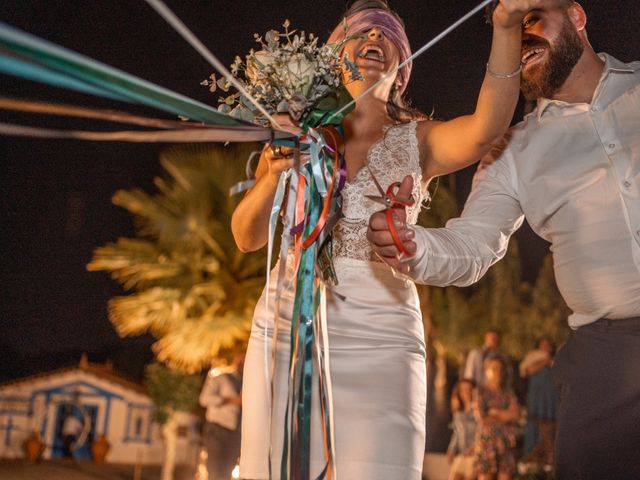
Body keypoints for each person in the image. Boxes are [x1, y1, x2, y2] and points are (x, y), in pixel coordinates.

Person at [232, 0, 543, 477]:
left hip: (383, 329)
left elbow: (486, 130)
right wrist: (273, 175)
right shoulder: (302, 134)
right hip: (285, 323)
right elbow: (246, 236)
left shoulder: (418, 138)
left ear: (402, 68)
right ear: (335, 56)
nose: (373, 41)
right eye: (361, 34)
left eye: (387, 37)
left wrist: (505, 25)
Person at [367, 1, 640, 478]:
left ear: (576, 16)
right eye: (510, 30)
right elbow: (472, 246)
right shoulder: (513, 150)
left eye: (531, 17)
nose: (520, 35)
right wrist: (411, 245)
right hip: (606, 362)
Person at [199, 349, 244, 480]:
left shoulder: (247, 381)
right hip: (217, 429)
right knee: (214, 470)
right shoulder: (219, 376)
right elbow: (204, 399)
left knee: (227, 471)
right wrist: (230, 400)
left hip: (236, 432)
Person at [473, 354, 520, 480]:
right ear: (487, 371)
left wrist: (495, 413)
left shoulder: (508, 392)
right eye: (493, 369)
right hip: (487, 444)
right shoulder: (480, 392)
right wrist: (505, 415)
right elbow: (482, 419)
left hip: (506, 443)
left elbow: (516, 415)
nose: (497, 372)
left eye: (500, 369)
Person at [519, 336, 556, 466]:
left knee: (551, 424)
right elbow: (528, 370)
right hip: (537, 397)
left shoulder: (556, 358)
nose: (546, 346)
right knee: (535, 422)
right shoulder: (532, 356)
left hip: (551, 397)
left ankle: (549, 457)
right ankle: (531, 457)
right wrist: (544, 361)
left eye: (548, 343)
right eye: (543, 343)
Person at [447, 379, 477, 480]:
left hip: (476, 454)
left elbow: (482, 431)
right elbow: (456, 433)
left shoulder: (478, 411)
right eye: (463, 390)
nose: (466, 392)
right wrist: (451, 450)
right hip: (462, 453)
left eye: (469, 389)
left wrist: (475, 447)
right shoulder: (458, 414)